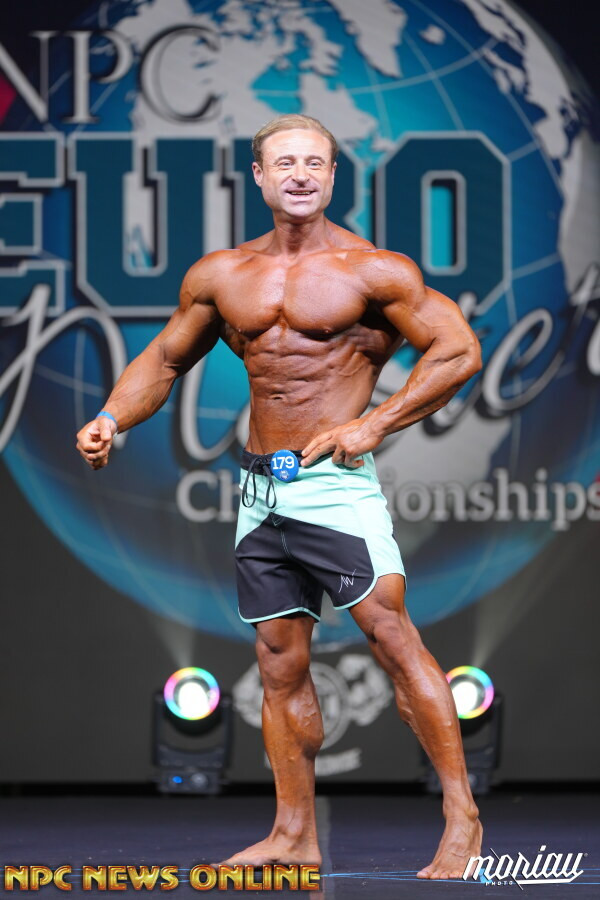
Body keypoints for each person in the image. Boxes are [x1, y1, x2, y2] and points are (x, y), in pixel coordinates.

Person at [76, 114, 483, 879]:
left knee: (392, 639)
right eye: (285, 162)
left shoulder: (373, 270)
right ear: (259, 176)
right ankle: (293, 834)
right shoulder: (222, 274)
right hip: (261, 490)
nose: (300, 174)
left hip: (333, 487)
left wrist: (376, 422)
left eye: (315, 163)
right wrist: (111, 417)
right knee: (277, 662)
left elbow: (458, 348)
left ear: (332, 176)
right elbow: (164, 360)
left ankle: (462, 814)